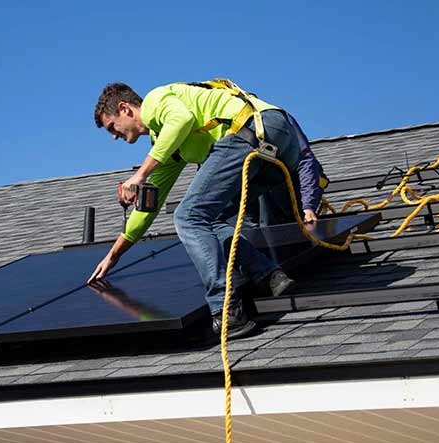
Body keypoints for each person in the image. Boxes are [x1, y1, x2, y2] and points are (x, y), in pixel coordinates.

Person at [88, 81, 324, 336]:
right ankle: (269, 275)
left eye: (112, 126)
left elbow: (180, 120)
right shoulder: (166, 146)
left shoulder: (157, 101)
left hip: (252, 129)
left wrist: (140, 175)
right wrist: (114, 254)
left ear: (125, 108)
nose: (113, 136)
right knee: (210, 220)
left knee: (188, 216)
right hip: (274, 149)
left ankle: (227, 309)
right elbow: (149, 207)